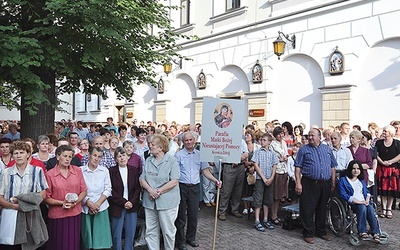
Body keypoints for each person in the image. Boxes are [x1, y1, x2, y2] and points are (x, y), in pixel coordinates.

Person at [174, 132, 221, 250]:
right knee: (181, 216)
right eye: (186, 140)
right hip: (181, 187)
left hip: (195, 187)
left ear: (194, 140)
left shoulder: (200, 155)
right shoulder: (178, 155)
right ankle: (180, 241)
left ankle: (191, 238)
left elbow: (205, 171)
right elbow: (175, 174)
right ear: (183, 142)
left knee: (193, 214)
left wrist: (215, 180)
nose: (189, 142)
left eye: (190, 140)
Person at [0, 141, 49, 250]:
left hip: (31, 215)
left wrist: (24, 203)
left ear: (28, 154)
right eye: (16, 153)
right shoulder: (5, 173)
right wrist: (14, 206)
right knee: (10, 245)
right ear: (12, 155)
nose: (18, 155)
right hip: (10, 214)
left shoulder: (37, 171)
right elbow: (0, 197)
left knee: (31, 245)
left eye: (21, 152)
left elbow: (43, 194)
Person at [295, 128, 337, 244]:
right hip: (309, 183)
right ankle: (308, 233)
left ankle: (321, 231)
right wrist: (298, 183)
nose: (310, 137)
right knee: (307, 209)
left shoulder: (327, 149)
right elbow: (297, 167)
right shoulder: (304, 150)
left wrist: (333, 181)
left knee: (322, 208)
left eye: (312, 135)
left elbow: (332, 165)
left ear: (319, 137)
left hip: (325, 183)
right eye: (309, 135)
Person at [139, 134, 180, 250]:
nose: (150, 146)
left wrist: (158, 191)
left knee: (168, 231)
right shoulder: (148, 160)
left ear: (161, 148)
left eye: (153, 145)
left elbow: (174, 181)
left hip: (167, 202)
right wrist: (150, 190)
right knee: (151, 230)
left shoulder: (172, 161)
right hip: (150, 201)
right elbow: (142, 178)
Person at [44, 145, 87, 250]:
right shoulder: (49, 174)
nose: (68, 159)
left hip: (75, 214)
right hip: (57, 215)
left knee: (72, 243)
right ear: (58, 157)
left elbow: (84, 191)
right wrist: (61, 203)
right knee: (58, 244)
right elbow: (46, 197)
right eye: (65, 156)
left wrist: (75, 203)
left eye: (70, 156)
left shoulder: (77, 171)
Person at [338, 160, 380, 242]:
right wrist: (358, 201)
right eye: (353, 168)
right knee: (362, 207)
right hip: (352, 204)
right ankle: (362, 232)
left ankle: (375, 232)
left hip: (364, 202)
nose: (356, 170)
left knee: (370, 209)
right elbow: (343, 194)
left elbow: (367, 192)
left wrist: (367, 199)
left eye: (358, 168)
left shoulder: (361, 180)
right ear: (350, 169)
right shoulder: (343, 180)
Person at [109, 147, 141, 250]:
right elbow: (110, 190)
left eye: (124, 155)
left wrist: (131, 202)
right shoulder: (111, 171)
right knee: (116, 234)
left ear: (128, 157)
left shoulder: (134, 170)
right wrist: (124, 202)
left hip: (132, 205)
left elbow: (137, 188)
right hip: (117, 206)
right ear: (115, 159)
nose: (122, 158)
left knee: (130, 233)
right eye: (119, 156)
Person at [81, 147, 113, 250]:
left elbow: (108, 189)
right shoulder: (80, 170)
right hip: (85, 207)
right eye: (95, 155)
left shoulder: (104, 171)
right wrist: (89, 203)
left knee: (101, 239)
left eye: (99, 157)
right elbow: (78, 189)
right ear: (89, 155)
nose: (96, 159)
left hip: (101, 207)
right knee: (87, 238)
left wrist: (97, 204)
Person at [251, 133, 279, 232]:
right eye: (261, 140)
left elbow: (274, 166)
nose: (262, 141)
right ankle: (257, 220)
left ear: (269, 142)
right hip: (260, 179)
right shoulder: (258, 152)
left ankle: (266, 219)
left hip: (269, 179)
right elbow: (255, 164)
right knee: (258, 199)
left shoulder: (272, 153)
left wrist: (271, 178)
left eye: (264, 140)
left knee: (267, 200)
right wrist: (263, 177)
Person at [218, 139, 248, 221]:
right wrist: (233, 159)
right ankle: (222, 211)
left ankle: (235, 210)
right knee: (226, 190)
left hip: (240, 166)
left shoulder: (242, 141)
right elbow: (222, 153)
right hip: (229, 165)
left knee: (238, 190)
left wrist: (239, 159)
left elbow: (246, 153)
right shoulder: (226, 140)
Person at [375, 125, 400, 219]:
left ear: (390, 133)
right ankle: (383, 208)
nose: (383, 132)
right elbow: (376, 154)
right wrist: (382, 162)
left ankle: (389, 208)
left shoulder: (397, 143)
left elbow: (399, 155)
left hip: (393, 169)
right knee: (382, 190)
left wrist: (390, 162)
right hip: (381, 169)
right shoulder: (379, 143)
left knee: (391, 190)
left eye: (385, 131)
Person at [269, 126, 289, 225]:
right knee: (275, 195)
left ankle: (276, 213)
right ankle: (273, 215)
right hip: (276, 170)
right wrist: (280, 159)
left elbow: (286, 154)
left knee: (280, 195)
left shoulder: (284, 143)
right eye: (279, 134)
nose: (281, 135)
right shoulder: (272, 144)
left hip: (284, 170)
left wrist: (285, 158)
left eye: (282, 133)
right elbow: (273, 157)